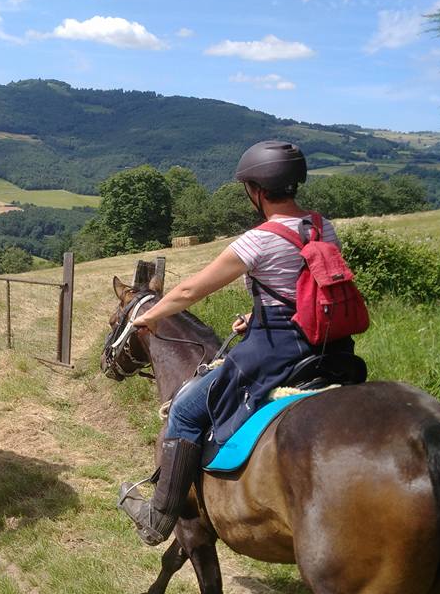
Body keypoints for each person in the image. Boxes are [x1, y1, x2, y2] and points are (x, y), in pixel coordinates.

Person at [118, 140, 348, 546]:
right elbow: (306, 290)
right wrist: (256, 315)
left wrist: (147, 316)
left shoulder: (257, 240)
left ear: (256, 190)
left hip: (276, 350)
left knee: (186, 410)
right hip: (329, 344)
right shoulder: (320, 226)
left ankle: (158, 516)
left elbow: (189, 291)